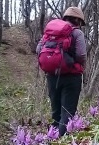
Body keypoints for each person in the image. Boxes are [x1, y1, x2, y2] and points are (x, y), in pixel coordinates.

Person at [36, 7, 87, 136]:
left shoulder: (50, 32)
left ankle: (51, 142)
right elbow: (81, 55)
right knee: (67, 112)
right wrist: (71, 62)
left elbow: (38, 50)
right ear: (77, 20)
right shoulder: (77, 33)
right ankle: (61, 144)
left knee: (56, 112)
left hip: (52, 76)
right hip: (72, 77)